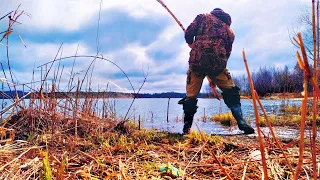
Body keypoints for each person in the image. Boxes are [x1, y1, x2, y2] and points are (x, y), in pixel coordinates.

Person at [179, 8, 255, 134]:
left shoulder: (202, 17)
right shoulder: (230, 32)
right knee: (231, 92)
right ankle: (241, 122)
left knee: (191, 96)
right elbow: (227, 53)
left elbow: (188, 33)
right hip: (218, 66)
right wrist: (216, 71)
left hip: (197, 63)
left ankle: (186, 128)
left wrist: (191, 43)